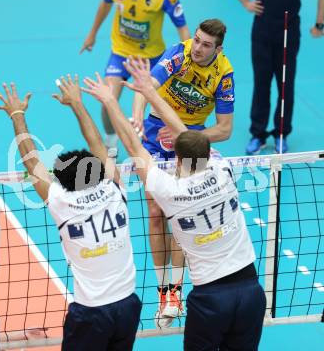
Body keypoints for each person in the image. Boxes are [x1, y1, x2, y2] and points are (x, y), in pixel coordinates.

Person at [82, 58, 266, 350]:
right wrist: (151, 94)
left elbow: (133, 144)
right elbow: (185, 134)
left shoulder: (169, 190)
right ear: (208, 153)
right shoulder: (222, 170)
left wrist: (110, 100)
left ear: (177, 159)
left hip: (211, 299)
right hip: (251, 291)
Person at [0, 75, 141, 350]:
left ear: (62, 180)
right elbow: (97, 143)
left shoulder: (61, 201)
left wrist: (17, 115)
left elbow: (31, 160)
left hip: (91, 313)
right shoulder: (114, 188)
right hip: (128, 305)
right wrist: (77, 103)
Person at [130, 18, 235, 327]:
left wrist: (186, 136)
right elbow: (145, 85)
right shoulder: (179, 54)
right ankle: (162, 291)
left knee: (179, 214)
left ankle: (175, 291)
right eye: (197, 40)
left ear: (218, 48)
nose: (198, 48)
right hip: (152, 131)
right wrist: (137, 117)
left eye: (206, 44)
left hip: (192, 140)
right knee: (153, 211)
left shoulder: (223, 75)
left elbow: (225, 130)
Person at [80, 0, 190, 158]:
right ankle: (110, 141)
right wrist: (92, 33)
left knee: (161, 105)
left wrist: (187, 61)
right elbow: (105, 4)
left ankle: (168, 144)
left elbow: (183, 29)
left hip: (153, 58)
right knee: (106, 100)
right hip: (121, 53)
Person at [233, 0, 324, 154]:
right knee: (261, 84)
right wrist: (246, 2)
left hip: (288, 32)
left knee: (285, 85)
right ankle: (258, 134)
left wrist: (319, 25)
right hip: (262, 32)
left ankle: (281, 134)